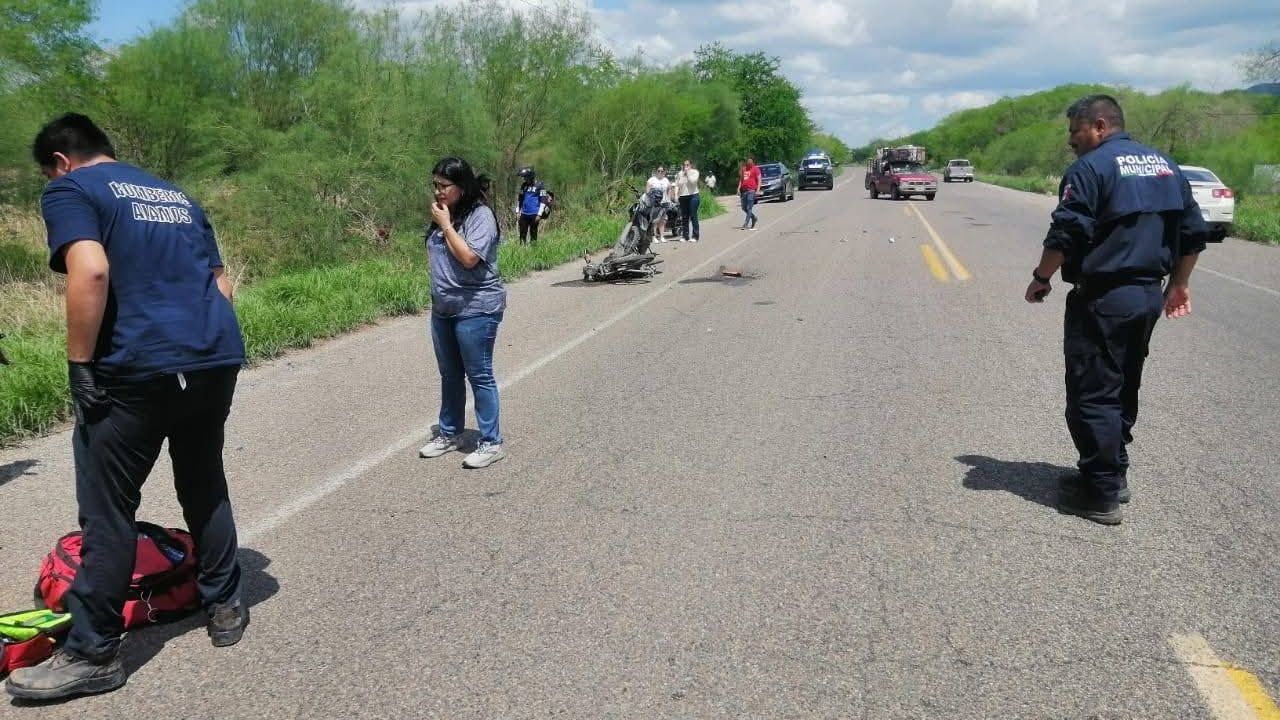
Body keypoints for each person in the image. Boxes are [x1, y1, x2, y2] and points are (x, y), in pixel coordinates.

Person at [6, 114, 249, 701]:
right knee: (203, 482)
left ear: (60, 160)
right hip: (212, 358)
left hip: (137, 368)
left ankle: (93, 653)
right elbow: (221, 284)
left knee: (108, 509)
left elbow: (90, 268)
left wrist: (79, 365)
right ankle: (225, 605)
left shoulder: (70, 188)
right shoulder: (176, 197)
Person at [1024, 94, 1209, 526]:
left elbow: (1067, 232)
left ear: (1101, 126)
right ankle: (1115, 472)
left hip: (1104, 296)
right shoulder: (1165, 166)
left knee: (1093, 392)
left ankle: (1100, 493)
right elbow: (1193, 234)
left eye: (1076, 131)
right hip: (1147, 296)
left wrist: (1042, 276)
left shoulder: (1091, 169)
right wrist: (1179, 284)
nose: (1071, 141)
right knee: (1124, 384)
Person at [418, 157, 507, 469]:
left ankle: (491, 442)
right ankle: (450, 432)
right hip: (444, 308)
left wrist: (445, 226)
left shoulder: (480, 216)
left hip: (476, 307)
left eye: (444, 186)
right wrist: (443, 222)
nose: (438, 191)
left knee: (479, 375)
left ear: (462, 186)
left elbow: (469, 258)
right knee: (450, 374)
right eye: (435, 185)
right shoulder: (446, 213)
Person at [515, 166, 547, 244]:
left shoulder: (540, 185)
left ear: (531, 176)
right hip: (524, 214)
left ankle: (534, 248)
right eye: (524, 177)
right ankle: (522, 249)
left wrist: (539, 214)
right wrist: (517, 211)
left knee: (533, 234)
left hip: (534, 214)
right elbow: (520, 199)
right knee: (522, 234)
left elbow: (543, 201)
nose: (524, 179)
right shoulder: (523, 185)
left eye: (526, 177)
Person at [676, 159, 701, 242]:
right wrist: (676, 195)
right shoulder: (680, 173)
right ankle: (685, 235)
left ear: (691, 165)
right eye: (684, 165)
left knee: (693, 215)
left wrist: (687, 174)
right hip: (683, 196)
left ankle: (695, 236)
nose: (685, 167)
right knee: (684, 217)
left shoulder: (695, 172)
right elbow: (677, 185)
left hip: (693, 196)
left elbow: (693, 182)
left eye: (687, 165)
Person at [646, 165, 671, 242]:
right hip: (654, 203)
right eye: (658, 171)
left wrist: (669, 199)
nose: (660, 172)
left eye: (662, 171)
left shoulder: (666, 180)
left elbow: (669, 190)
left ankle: (662, 237)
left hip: (664, 203)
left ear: (664, 172)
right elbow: (647, 191)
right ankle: (653, 237)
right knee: (655, 220)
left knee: (663, 220)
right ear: (656, 171)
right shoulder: (651, 180)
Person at [737, 156, 761, 230]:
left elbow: (759, 180)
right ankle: (753, 217)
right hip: (744, 191)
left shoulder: (756, 169)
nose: (749, 162)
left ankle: (745, 224)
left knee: (749, 207)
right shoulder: (744, 169)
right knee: (744, 208)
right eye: (748, 161)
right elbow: (741, 180)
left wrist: (758, 190)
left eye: (750, 161)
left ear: (753, 162)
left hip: (751, 191)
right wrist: (738, 188)